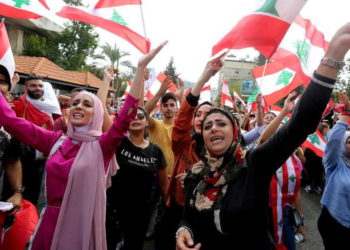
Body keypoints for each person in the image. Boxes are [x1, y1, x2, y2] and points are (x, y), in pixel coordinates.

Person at [176, 22, 348, 250]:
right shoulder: (195, 176)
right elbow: (189, 215)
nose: (214, 128)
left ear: (236, 132)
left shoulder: (255, 163)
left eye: (221, 123)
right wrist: (183, 230)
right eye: (207, 126)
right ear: (203, 137)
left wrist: (333, 56)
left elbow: (300, 124)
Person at [0, 42, 168, 249]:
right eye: (75, 103)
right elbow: (11, 122)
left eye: (87, 104)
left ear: (96, 114)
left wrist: (140, 68)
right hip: (50, 223)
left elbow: (126, 116)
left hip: (80, 225)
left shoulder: (102, 146)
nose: (79, 106)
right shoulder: (55, 141)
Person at [106, 107, 168, 250]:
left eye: (140, 116)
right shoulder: (118, 143)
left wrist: (167, 205)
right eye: (132, 116)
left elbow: (163, 184)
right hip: (114, 209)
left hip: (140, 212)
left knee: (134, 245)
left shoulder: (156, 151)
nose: (136, 119)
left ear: (147, 122)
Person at [10, 76, 61, 205]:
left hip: (40, 154)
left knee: (34, 191)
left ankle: (29, 219)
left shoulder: (52, 107)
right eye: (33, 85)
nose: (38, 88)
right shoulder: (17, 104)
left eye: (40, 85)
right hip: (18, 153)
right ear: (25, 88)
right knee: (12, 191)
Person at [318, 92, 350, 249]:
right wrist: (346, 114)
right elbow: (334, 140)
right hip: (333, 223)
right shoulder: (335, 164)